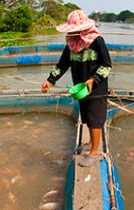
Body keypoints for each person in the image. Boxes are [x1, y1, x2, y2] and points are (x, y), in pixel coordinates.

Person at [41, 10, 112, 167]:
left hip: (96, 90)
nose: (73, 33)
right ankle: (90, 142)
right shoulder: (71, 44)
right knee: (87, 118)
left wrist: (94, 80)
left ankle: (94, 152)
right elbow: (62, 65)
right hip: (80, 89)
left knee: (95, 120)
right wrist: (50, 80)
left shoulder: (97, 41)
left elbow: (107, 65)